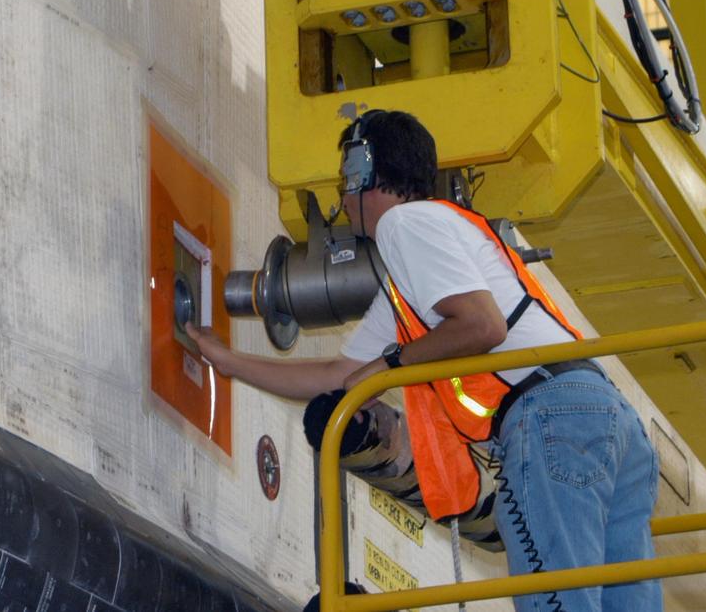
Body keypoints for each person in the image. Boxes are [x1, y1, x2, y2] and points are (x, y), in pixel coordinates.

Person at [188, 110, 660, 612]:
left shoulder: (404, 225)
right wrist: (230, 362)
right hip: (608, 421)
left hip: (550, 420)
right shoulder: (423, 264)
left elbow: (482, 326)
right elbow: (338, 375)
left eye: (343, 185)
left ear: (361, 172)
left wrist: (392, 366)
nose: (342, 205)